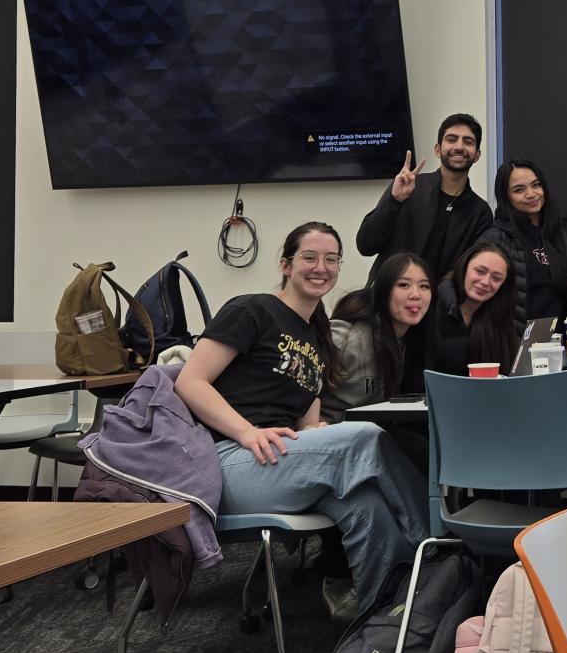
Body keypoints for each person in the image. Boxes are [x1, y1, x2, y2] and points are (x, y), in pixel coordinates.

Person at [175, 222, 430, 621]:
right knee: (367, 437)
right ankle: (433, 553)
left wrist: (316, 432)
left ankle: (387, 614)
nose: (320, 267)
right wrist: (246, 431)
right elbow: (190, 381)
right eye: (309, 258)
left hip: (279, 460)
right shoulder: (252, 309)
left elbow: (307, 415)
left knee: (363, 503)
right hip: (226, 462)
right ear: (286, 264)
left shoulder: (316, 333)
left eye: (331, 259)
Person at [355, 112, 492, 285]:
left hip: (435, 306)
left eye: (468, 142)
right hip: (386, 298)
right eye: (451, 139)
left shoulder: (480, 212)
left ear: (477, 154)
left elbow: (465, 271)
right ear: (438, 149)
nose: (459, 146)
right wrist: (395, 201)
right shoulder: (410, 187)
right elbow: (366, 245)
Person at [324, 251, 432, 417]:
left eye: (424, 286)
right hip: (330, 432)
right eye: (403, 285)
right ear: (383, 290)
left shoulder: (414, 338)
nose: (416, 294)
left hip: (373, 429)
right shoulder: (347, 338)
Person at [492, 157, 567, 323]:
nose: (531, 194)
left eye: (536, 185)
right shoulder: (496, 238)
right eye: (519, 190)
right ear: (505, 196)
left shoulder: (564, 233)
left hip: (561, 341)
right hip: (517, 340)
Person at [429, 236, 519, 376]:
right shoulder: (432, 307)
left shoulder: (500, 321)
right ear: (464, 268)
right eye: (480, 271)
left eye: (496, 278)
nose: (485, 282)